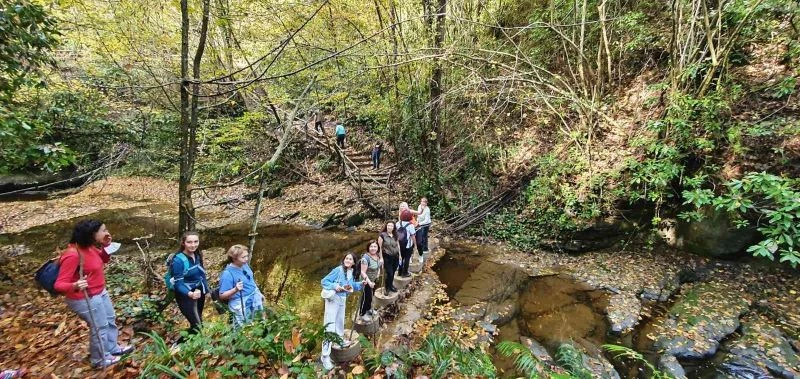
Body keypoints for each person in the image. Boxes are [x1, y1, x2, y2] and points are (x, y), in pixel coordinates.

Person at [54, 220, 133, 368]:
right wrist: (75, 285)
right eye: (103, 230)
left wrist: (106, 245)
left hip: (100, 292)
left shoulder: (89, 247)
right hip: (85, 297)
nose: (106, 232)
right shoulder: (73, 254)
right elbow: (59, 285)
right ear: (92, 234)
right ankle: (100, 359)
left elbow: (103, 260)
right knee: (100, 327)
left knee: (110, 320)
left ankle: (112, 349)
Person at [320, 253, 364, 370]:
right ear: (343, 260)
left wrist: (361, 284)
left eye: (350, 259)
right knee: (329, 326)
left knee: (340, 322)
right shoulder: (338, 270)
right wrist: (335, 286)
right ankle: (325, 356)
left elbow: (351, 285)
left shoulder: (351, 272)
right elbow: (324, 281)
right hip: (333, 299)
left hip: (342, 299)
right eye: (346, 258)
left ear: (354, 262)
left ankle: (339, 340)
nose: (348, 260)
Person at [171, 231, 209, 340]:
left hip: (199, 291)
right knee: (197, 325)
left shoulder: (197, 254)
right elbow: (178, 284)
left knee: (198, 321)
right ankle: (180, 344)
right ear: (183, 243)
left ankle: (190, 343)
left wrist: (206, 290)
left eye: (196, 241)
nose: (193, 245)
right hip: (185, 296)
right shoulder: (178, 260)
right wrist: (190, 294)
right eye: (189, 242)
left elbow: (201, 273)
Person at [218, 244, 264, 327]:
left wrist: (259, 292)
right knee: (244, 327)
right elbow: (222, 296)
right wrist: (235, 289)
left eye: (247, 256)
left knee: (258, 323)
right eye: (243, 257)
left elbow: (251, 280)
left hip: (254, 298)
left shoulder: (244, 265)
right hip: (241, 302)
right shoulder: (227, 274)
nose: (246, 259)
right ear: (234, 258)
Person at [359, 240, 381, 321]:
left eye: (375, 246)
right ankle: (362, 313)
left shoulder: (377, 255)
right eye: (371, 246)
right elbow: (362, 272)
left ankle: (368, 309)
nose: (373, 248)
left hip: (373, 280)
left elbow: (378, 266)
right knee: (365, 297)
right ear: (368, 248)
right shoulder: (365, 258)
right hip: (366, 281)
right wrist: (369, 282)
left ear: (377, 248)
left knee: (370, 296)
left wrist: (378, 274)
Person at [378, 222, 400, 293]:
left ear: (394, 227)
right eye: (388, 225)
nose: (389, 227)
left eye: (391, 226)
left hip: (396, 256)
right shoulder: (382, 236)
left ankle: (391, 285)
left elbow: (398, 245)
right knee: (389, 273)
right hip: (387, 257)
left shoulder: (395, 235)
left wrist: (400, 255)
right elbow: (379, 248)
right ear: (386, 226)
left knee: (393, 272)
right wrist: (381, 258)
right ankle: (387, 288)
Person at [397, 210, 417, 278]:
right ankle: (405, 272)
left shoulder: (398, 223)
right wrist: (415, 245)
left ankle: (399, 272)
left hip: (399, 244)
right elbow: (413, 236)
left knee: (400, 258)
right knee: (407, 258)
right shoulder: (410, 225)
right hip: (408, 245)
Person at [415, 198, 432, 263]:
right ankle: (421, 248)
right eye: (422, 201)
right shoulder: (419, 206)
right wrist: (417, 221)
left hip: (426, 224)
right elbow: (418, 215)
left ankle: (425, 248)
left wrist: (419, 224)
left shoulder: (427, 210)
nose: (423, 203)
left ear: (426, 203)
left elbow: (426, 220)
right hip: (420, 223)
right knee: (419, 236)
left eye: (424, 202)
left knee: (424, 236)